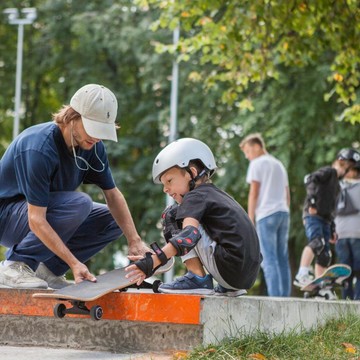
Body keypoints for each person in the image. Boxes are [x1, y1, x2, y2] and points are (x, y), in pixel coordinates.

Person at [0, 84, 148, 289]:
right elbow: (36, 218)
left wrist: (135, 240)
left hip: (42, 213)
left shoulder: (93, 147)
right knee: (79, 203)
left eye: (101, 132)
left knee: (113, 220)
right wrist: (74, 263)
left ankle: (49, 270)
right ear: (72, 116)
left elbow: (113, 195)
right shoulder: (39, 147)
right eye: (92, 128)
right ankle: (15, 264)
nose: (96, 137)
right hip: (7, 216)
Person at [125, 138, 262, 296]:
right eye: (163, 184)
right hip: (247, 276)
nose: (166, 189)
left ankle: (197, 278)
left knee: (172, 214)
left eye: (169, 180)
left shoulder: (194, 196)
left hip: (229, 269)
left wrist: (154, 260)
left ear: (192, 173)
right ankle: (228, 287)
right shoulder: (217, 195)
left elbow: (189, 235)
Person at [293, 149, 357, 292]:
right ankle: (302, 273)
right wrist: (312, 202)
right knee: (317, 242)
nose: (348, 173)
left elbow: (332, 209)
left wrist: (333, 229)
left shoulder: (338, 186)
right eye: (348, 168)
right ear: (341, 163)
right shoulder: (329, 172)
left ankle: (320, 286)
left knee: (325, 254)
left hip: (326, 220)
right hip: (313, 215)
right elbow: (310, 179)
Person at [239, 133, 291, 297]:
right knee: (282, 258)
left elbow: (254, 193)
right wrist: (284, 209)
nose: (247, 156)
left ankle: (275, 299)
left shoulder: (257, 163)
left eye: (247, 151)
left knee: (269, 259)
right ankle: (285, 297)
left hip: (266, 215)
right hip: (283, 213)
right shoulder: (278, 164)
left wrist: (250, 218)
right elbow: (287, 193)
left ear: (256, 146)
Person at [334, 149, 360, 300]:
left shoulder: (341, 186)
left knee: (352, 271)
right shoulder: (339, 185)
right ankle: (349, 302)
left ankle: (353, 302)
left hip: (352, 234)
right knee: (346, 272)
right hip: (343, 234)